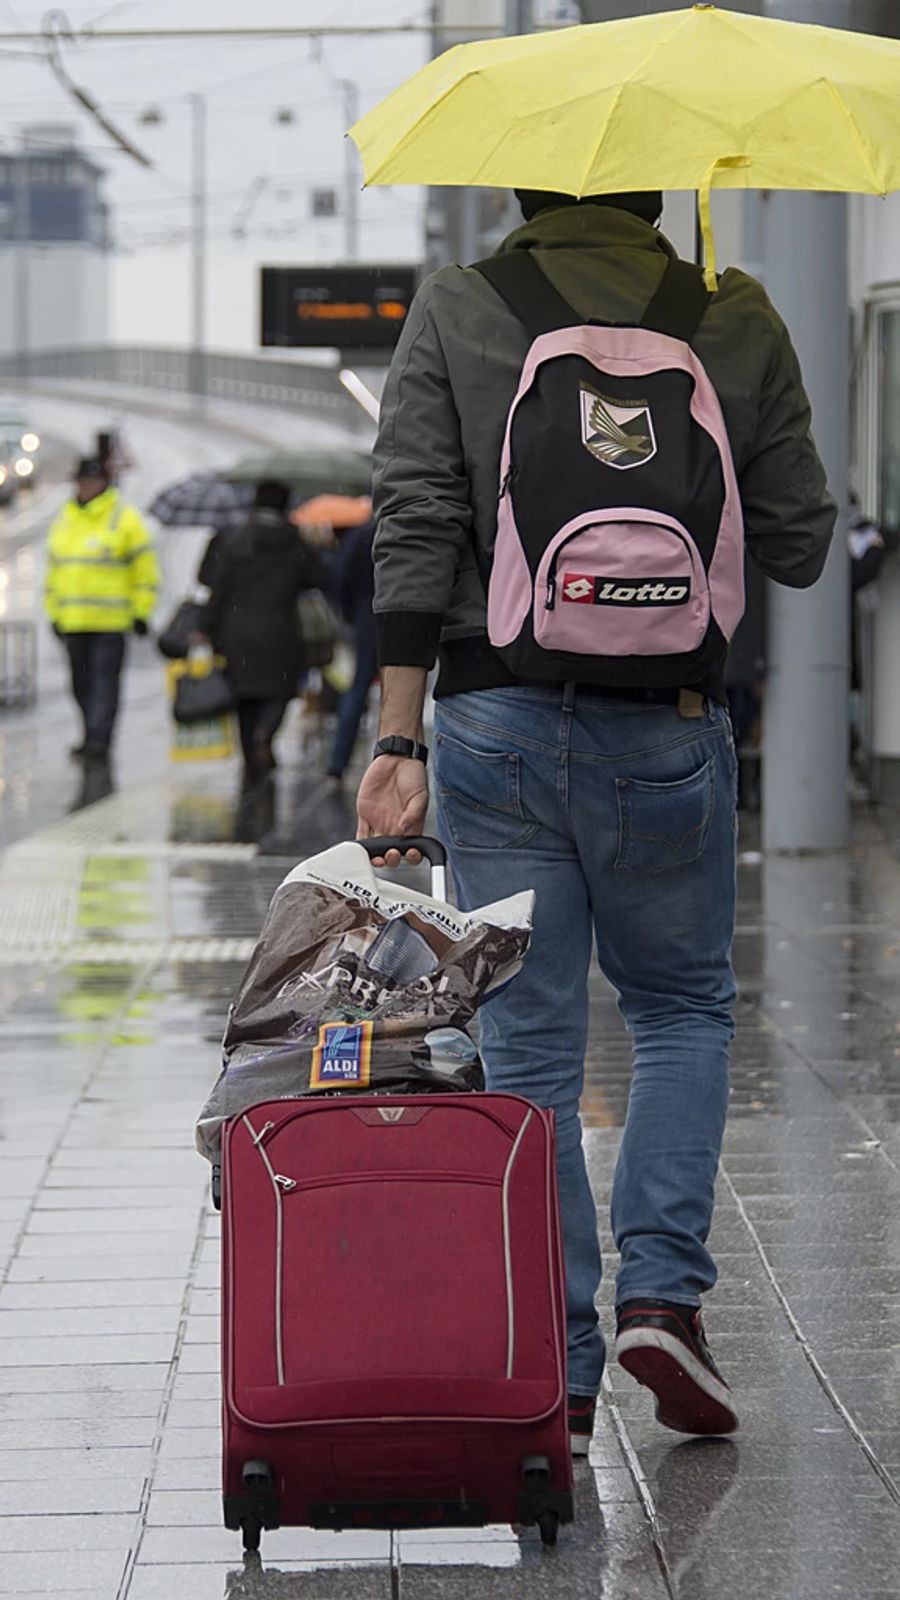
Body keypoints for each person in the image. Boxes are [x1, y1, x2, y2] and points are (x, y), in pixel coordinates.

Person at [356, 189, 836, 1451]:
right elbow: (798, 542)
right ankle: (665, 1300)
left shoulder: (462, 305)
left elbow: (414, 522)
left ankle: (559, 1366)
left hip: (493, 718)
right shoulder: (734, 312)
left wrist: (399, 737)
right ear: (661, 194)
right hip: (670, 721)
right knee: (681, 1011)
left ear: (520, 190)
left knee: (528, 1046)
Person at [196, 479, 321, 783]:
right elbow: (316, 578)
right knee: (279, 691)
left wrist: (205, 627)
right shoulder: (295, 542)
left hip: (235, 631)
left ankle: (251, 756)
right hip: (280, 629)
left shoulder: (234, 539)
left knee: (243, 697)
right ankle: (265, 734)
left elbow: (217, 587)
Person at [45, 456, 159, 765]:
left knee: (105, 684)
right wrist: (54, 613)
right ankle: (89, 734)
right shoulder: (65, 518)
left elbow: (145, 571)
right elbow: (54, 572)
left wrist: (141, 611)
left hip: (111, 622)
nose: (87, 486)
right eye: (83, 480)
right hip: (73, 622)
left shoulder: (124, 518)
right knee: (80, 685)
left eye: (93, 481)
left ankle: (99, 739)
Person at [325, 518, 378, 787]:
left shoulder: (361, 535)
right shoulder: (405, 526)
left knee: (357, 690)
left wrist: (351, 615)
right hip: (405, 616)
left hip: (367, 619)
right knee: (406, 690)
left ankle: (338, 762)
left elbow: (340, 579)